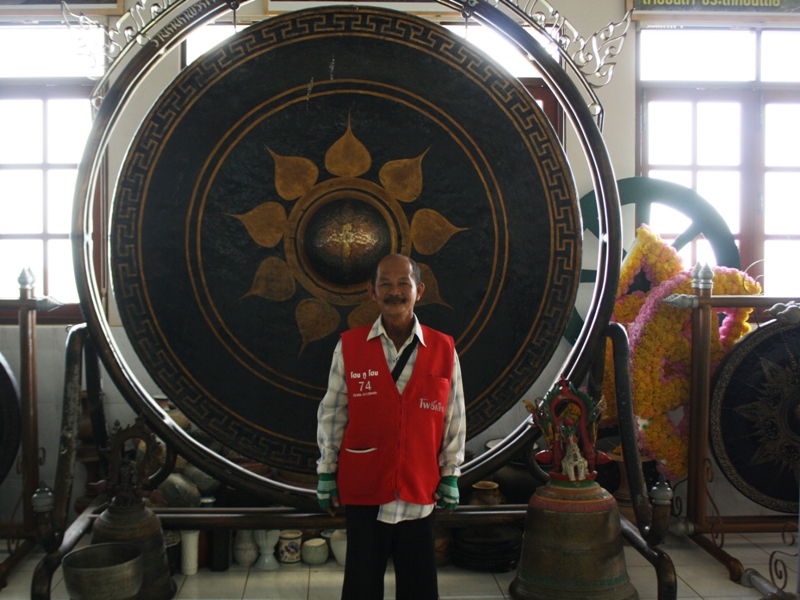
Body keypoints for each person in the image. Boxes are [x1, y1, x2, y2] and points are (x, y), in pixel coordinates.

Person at [316, 253, 466, 600]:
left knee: (418, 588)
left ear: (419, 291)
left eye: (403, 284)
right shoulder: (350, 346)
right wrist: (326, 470)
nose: (394, 291)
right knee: (361, 586)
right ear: (372, 291)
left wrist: (451, 472)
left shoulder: (443, 348)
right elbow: (333, 412)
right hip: (365, 486)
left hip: (419, 488)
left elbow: (453, 414)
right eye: (385, 283)